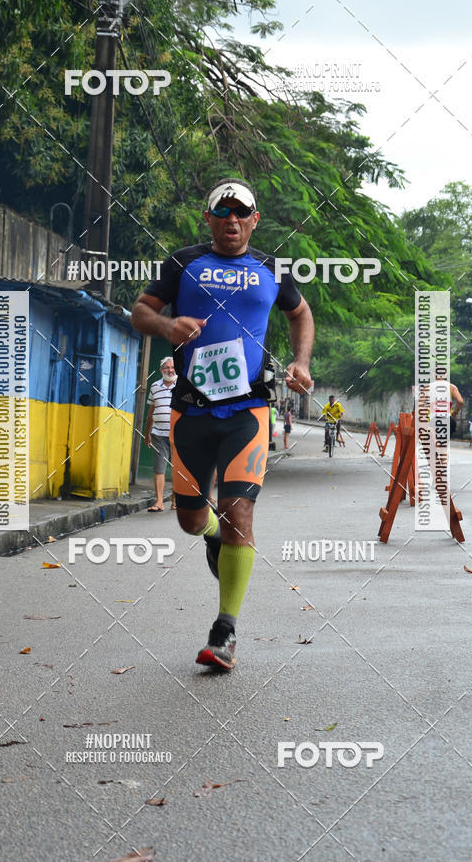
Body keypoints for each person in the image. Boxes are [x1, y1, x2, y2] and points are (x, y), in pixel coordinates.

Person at [131, 177, 314, 670]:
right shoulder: (183, 263)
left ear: (254, 220)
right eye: (222, 212)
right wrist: (169, 326)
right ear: (207, 219)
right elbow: (140, 311)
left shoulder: (271, 269)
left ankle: (225, 631)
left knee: (241, 515)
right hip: (190, 410)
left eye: (242, 212)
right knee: (191, 521)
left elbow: (301, 315)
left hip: (248, 412)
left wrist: (300, 362)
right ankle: (212, 534)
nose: (231, 220)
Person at [144, 357, 177, 511]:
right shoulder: (154, 386)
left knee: (177, 469)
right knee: (159, 468)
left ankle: (175, 500)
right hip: (158, 434)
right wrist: (147, 432)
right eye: (166, 367)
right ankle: (159, 502)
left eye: (172, 367)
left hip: (178, 435)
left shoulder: (183, 386)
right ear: (161, 370)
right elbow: (151, 412)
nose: (170, 370)